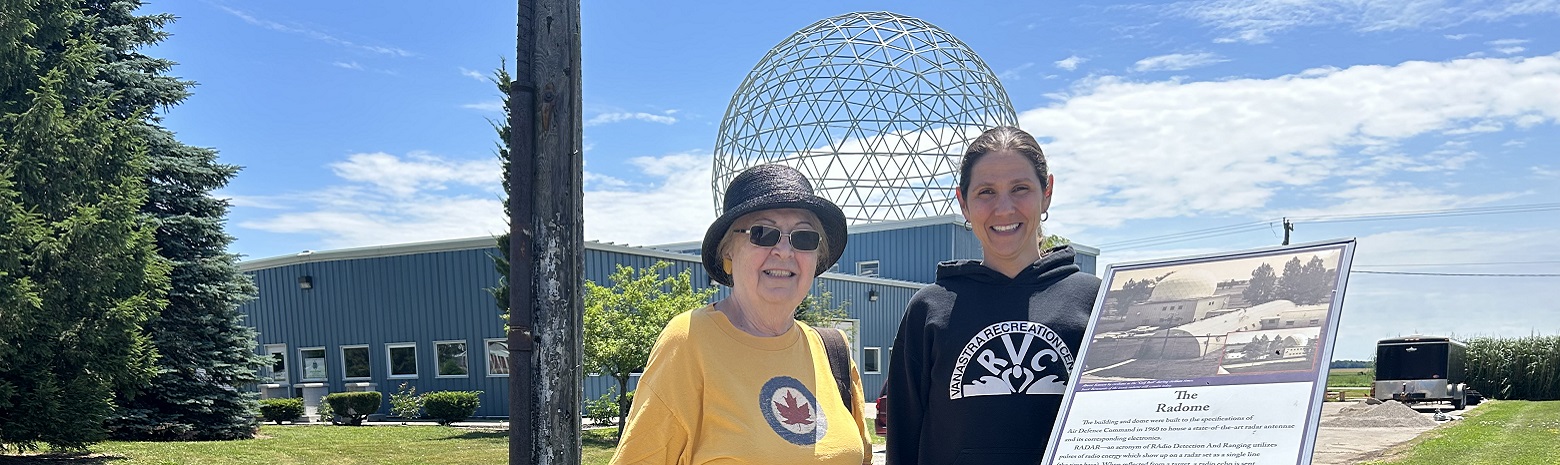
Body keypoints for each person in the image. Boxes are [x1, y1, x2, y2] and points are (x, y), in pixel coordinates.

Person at [610, 164, 872, 465]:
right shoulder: (690, 341)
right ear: (728, 251)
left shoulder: (832, 350)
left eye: (804, 238)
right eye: (763, 233)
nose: (784, 251)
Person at [885, 126, 1101, 465]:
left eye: (1020, 189)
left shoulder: (1095, 301)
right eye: (986, 192)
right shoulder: (929, 309)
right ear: (963, 203)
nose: (1004, 208)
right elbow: (903, 440)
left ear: (1047, 193)